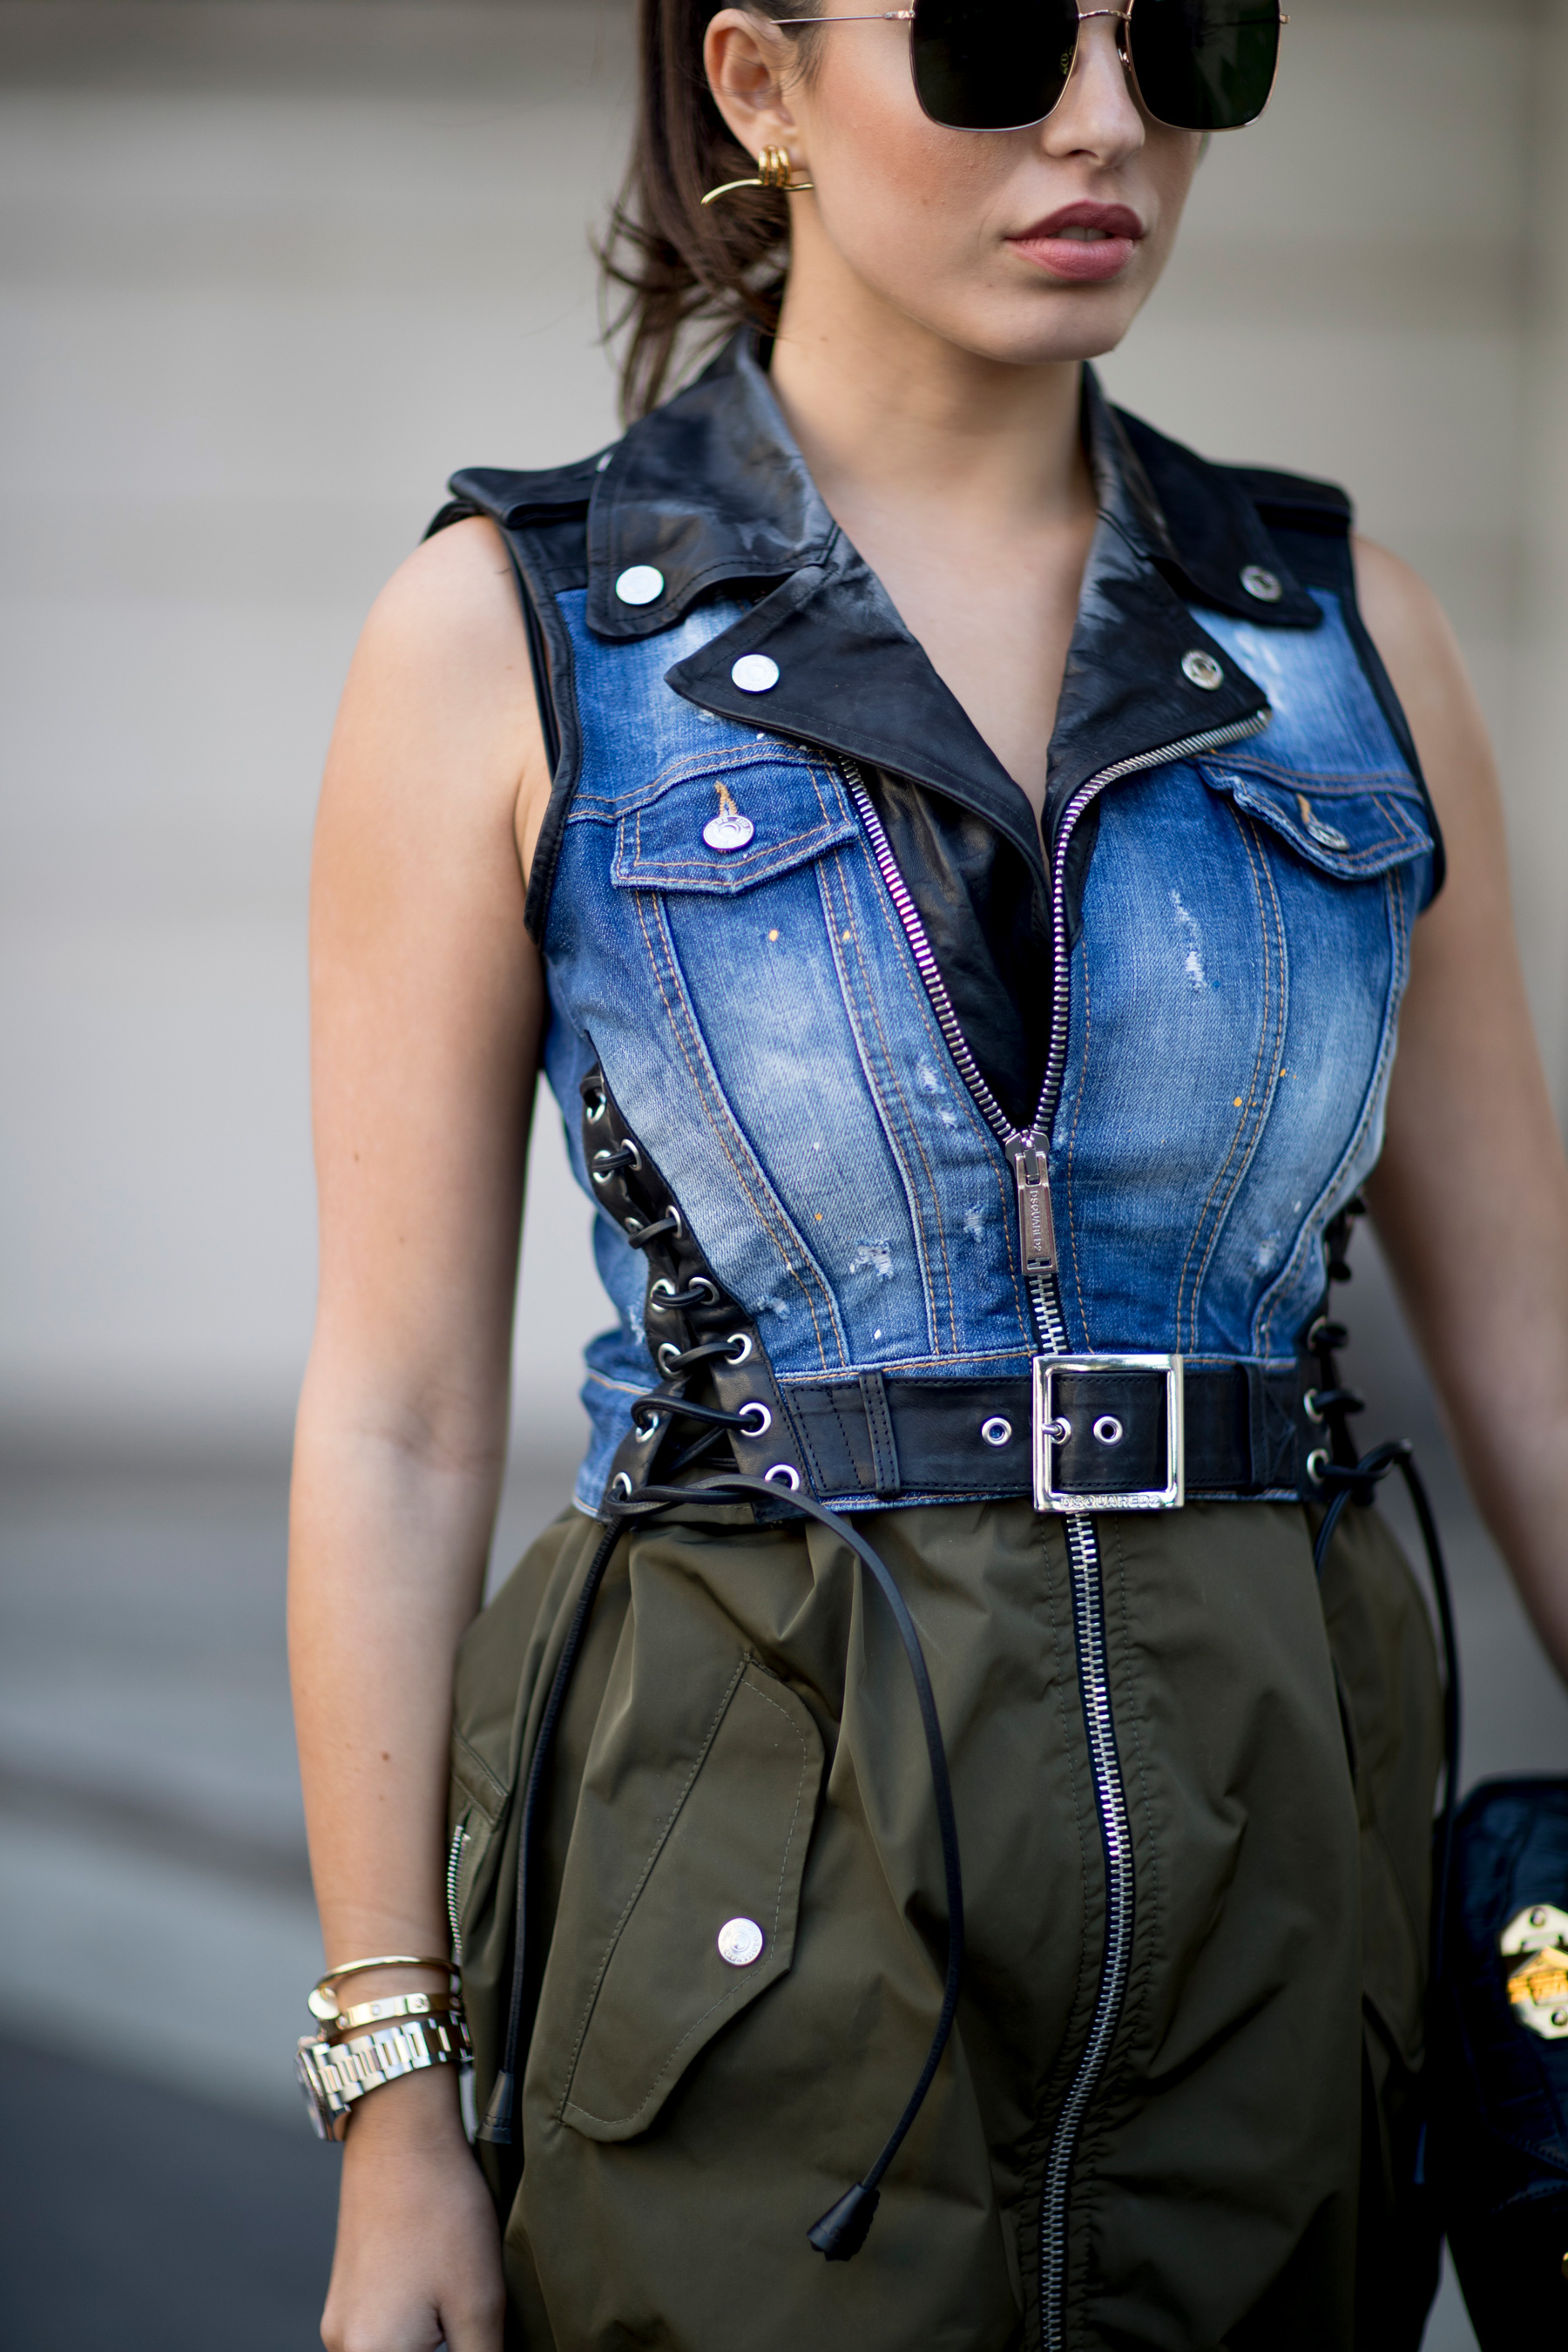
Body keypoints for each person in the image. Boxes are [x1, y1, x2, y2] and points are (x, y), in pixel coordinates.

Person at [287, 4, 1568, 2348]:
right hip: (744, 1938)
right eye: (990, 32)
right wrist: (395, 2105)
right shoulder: (511, 640)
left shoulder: (1345, 640)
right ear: (760, 83)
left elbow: (1540, 1355)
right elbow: (396, 1417)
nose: (1106, 117)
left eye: (1185, 36)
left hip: (1294, 1933)